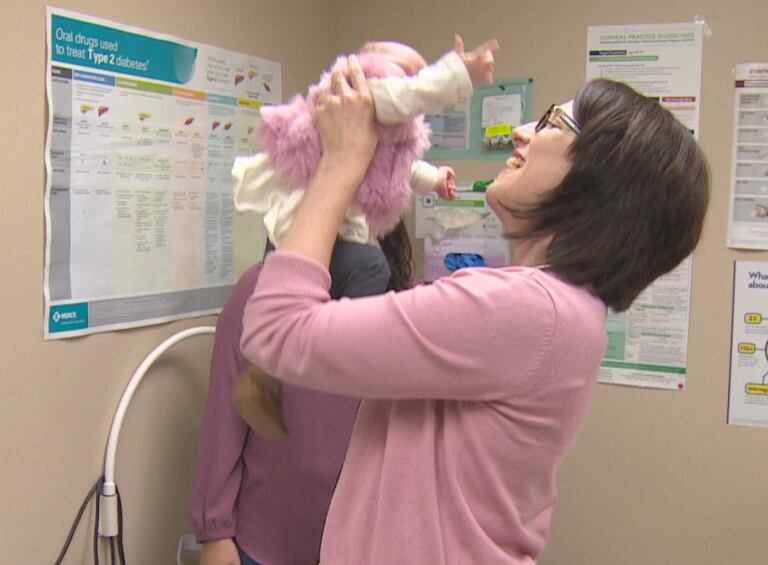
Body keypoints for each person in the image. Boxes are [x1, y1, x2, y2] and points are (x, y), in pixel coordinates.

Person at [238, 53, 710, 565]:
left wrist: (339, 165)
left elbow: (277, 331)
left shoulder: (530, 312)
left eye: (554, 122)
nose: (523, 132)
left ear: (603, 181)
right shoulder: (560, 313)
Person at [231, 36, 498, 438]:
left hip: (312, 240)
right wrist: (462, 72)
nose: (409, 81)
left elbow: (404, 168)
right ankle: (332, 352)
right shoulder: (360, 93)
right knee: (369, 266)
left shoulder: (376, 137)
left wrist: (436, 177)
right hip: (300, 232)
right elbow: (408, 95)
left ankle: (276, 370)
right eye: (405, 72)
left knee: (362, 267)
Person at [191, 221, 416, 565]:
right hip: (262, 544)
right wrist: (216, 533)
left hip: (366, 545)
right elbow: (223, 425)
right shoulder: (260, 293)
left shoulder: (408, 309)